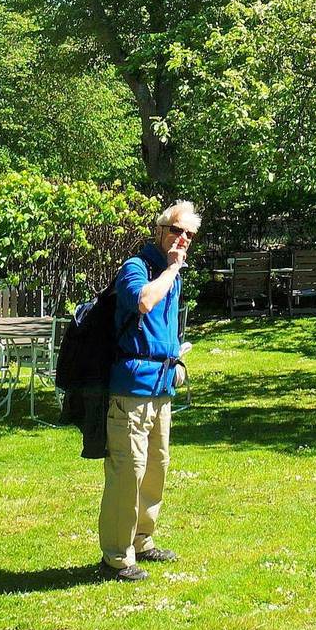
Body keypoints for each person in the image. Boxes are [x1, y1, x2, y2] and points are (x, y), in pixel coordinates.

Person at [99, 200, 198, 582]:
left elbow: (163, 329)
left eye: (189, 235)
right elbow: (143, 302)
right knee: (129, 473)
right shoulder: (136, 268)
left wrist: (177, 359)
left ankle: (143, 540)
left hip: (161, 388)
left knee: (156, 468)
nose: (183, 239)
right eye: (177, 231)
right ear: (160, 230)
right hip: (132, 391)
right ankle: (116, 557)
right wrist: (172, 268)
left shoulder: (174, 274)